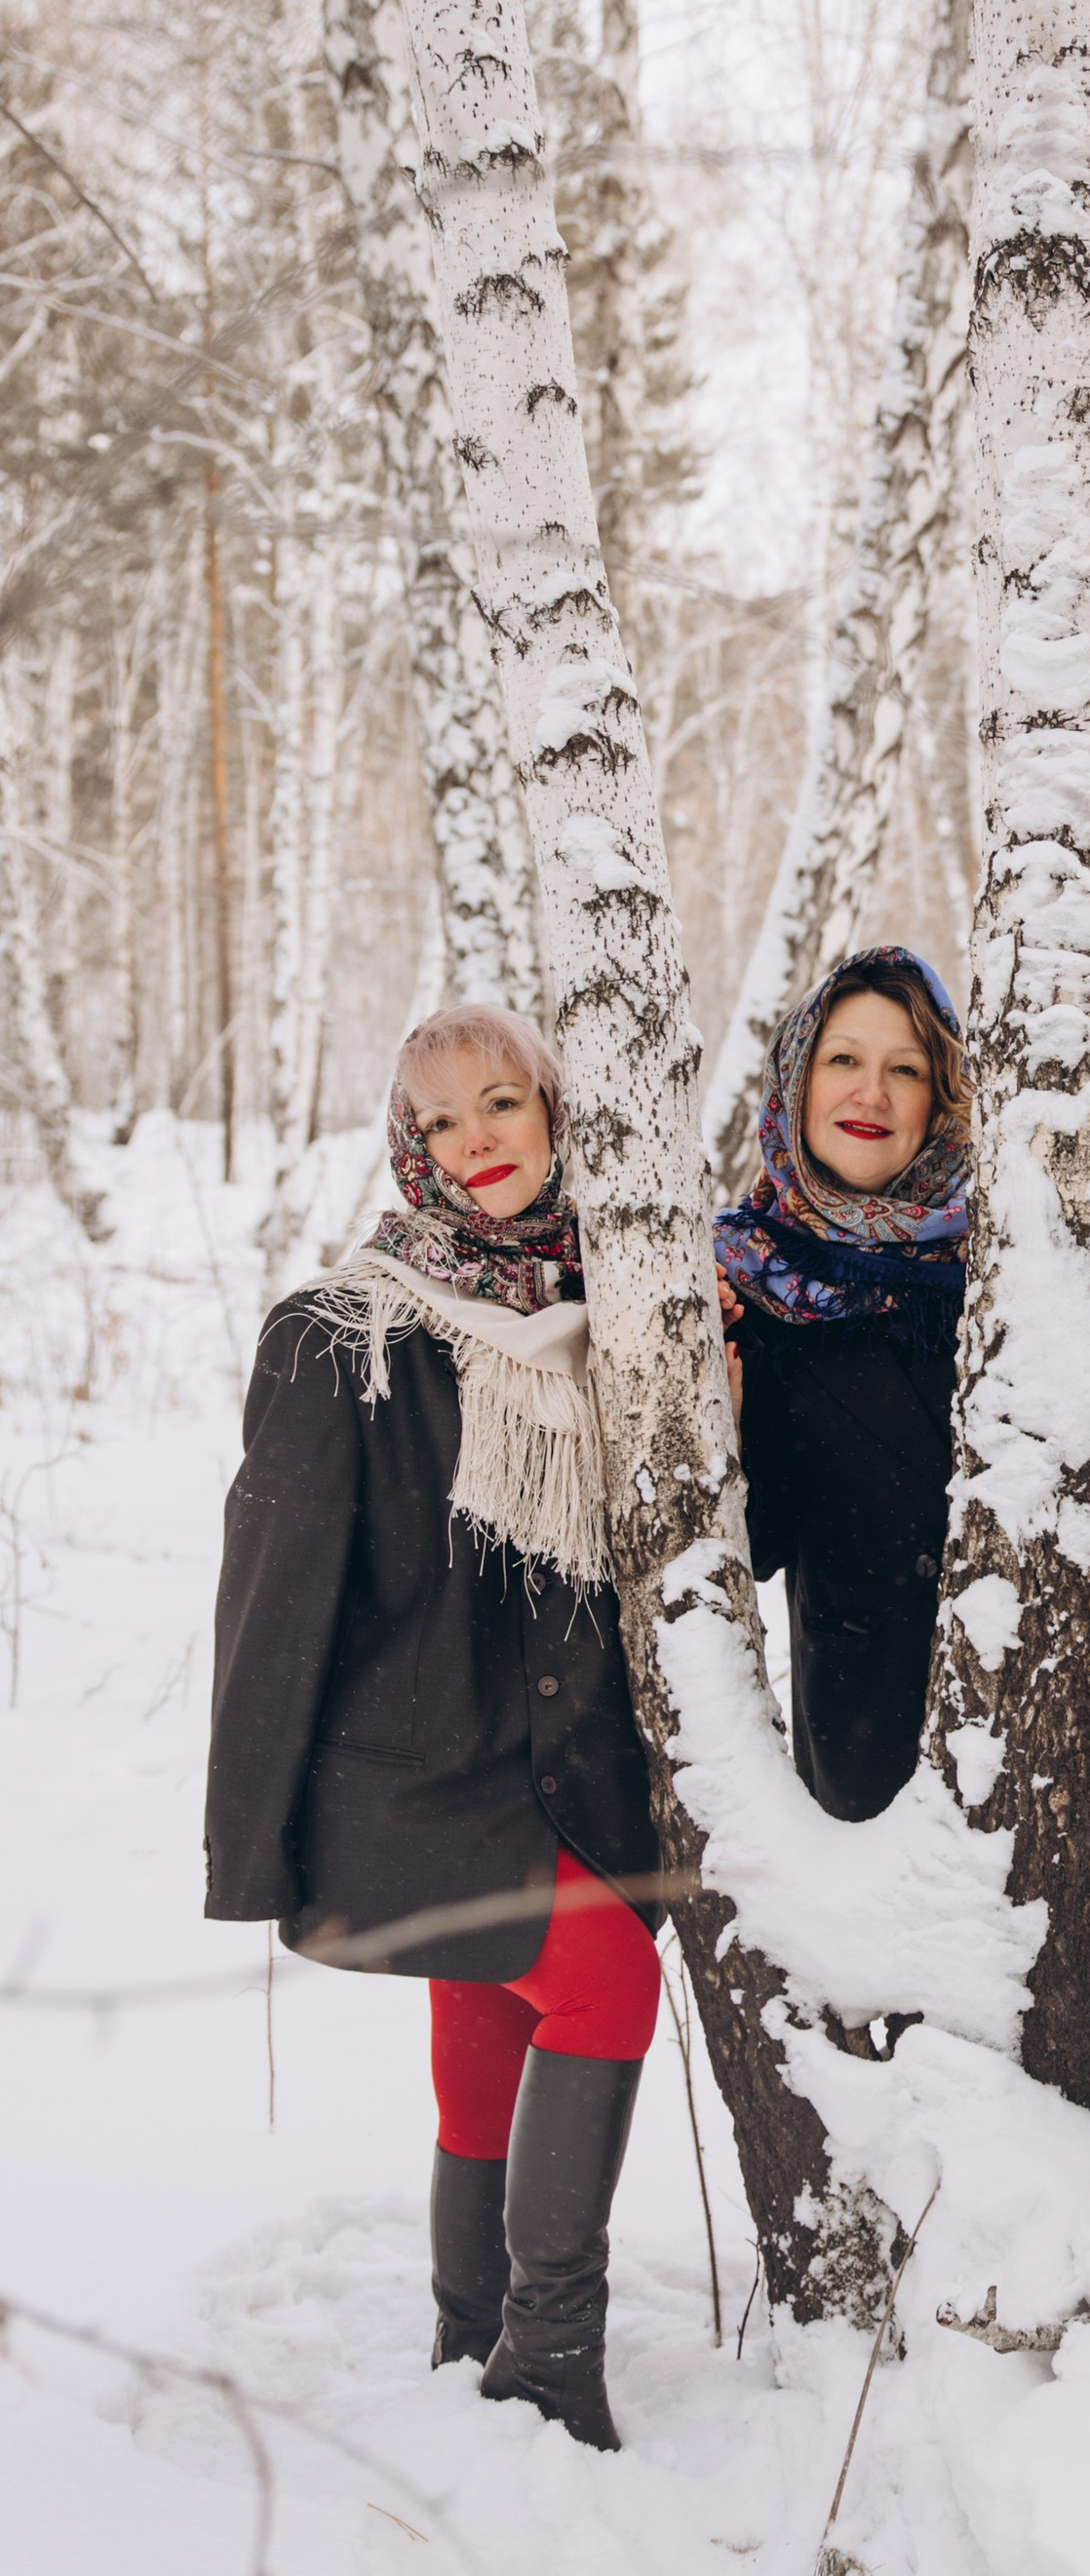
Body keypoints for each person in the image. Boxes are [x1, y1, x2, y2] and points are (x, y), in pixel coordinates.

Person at [205, 1007, 662, 2451]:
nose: (480, 1140)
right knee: (606, 1982)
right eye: (446, 1119)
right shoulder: (342, 1336)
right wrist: (256, 1845)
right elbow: (271, 1605)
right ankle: (546, 2357)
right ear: (411, 1146)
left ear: (551, 1113)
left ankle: (472, 2322)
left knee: (491, 2011)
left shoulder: (614, 1311)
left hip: (551, 1779)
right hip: (409, 1791)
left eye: (505, 1103)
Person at [714, 948, 967, 1821]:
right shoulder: (744, 1276)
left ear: (943, 1098)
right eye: (844, 1061)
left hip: (1042, 1729)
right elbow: (752, 1544)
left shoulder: (1009, 1251)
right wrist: (724, 1416)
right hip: (867, 1743)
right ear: (795, 1082)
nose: (873, 1095)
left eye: (907, 1069)